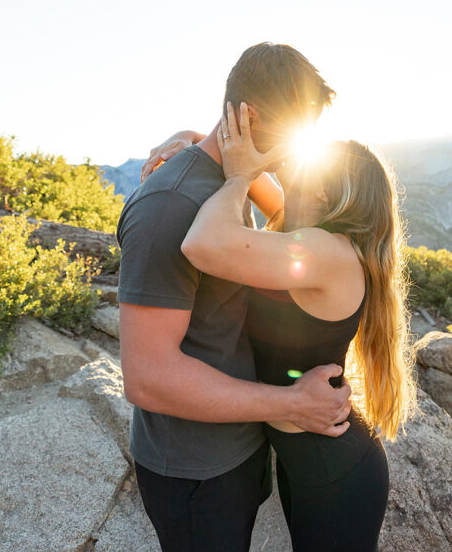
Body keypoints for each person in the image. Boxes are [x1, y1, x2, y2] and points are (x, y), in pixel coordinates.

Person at [116, 43, 354, 552]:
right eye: (292, 134)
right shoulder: (169, 206)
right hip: (193, 467)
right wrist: (292, 403)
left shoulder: (229, 182)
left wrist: (208, 144)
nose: (295, 151)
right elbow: (148, 378)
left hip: (238, 443)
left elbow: (286, 218)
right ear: (248, 116)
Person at [179, 101, 417, 551]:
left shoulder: (326, 253)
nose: (289, 173)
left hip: (334, 471)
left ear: (326, 195)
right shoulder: (316, 238)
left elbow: (204, 244)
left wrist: (236, 177)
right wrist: (197, 140)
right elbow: (264, 187)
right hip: (306, 457)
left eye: (304, 173)